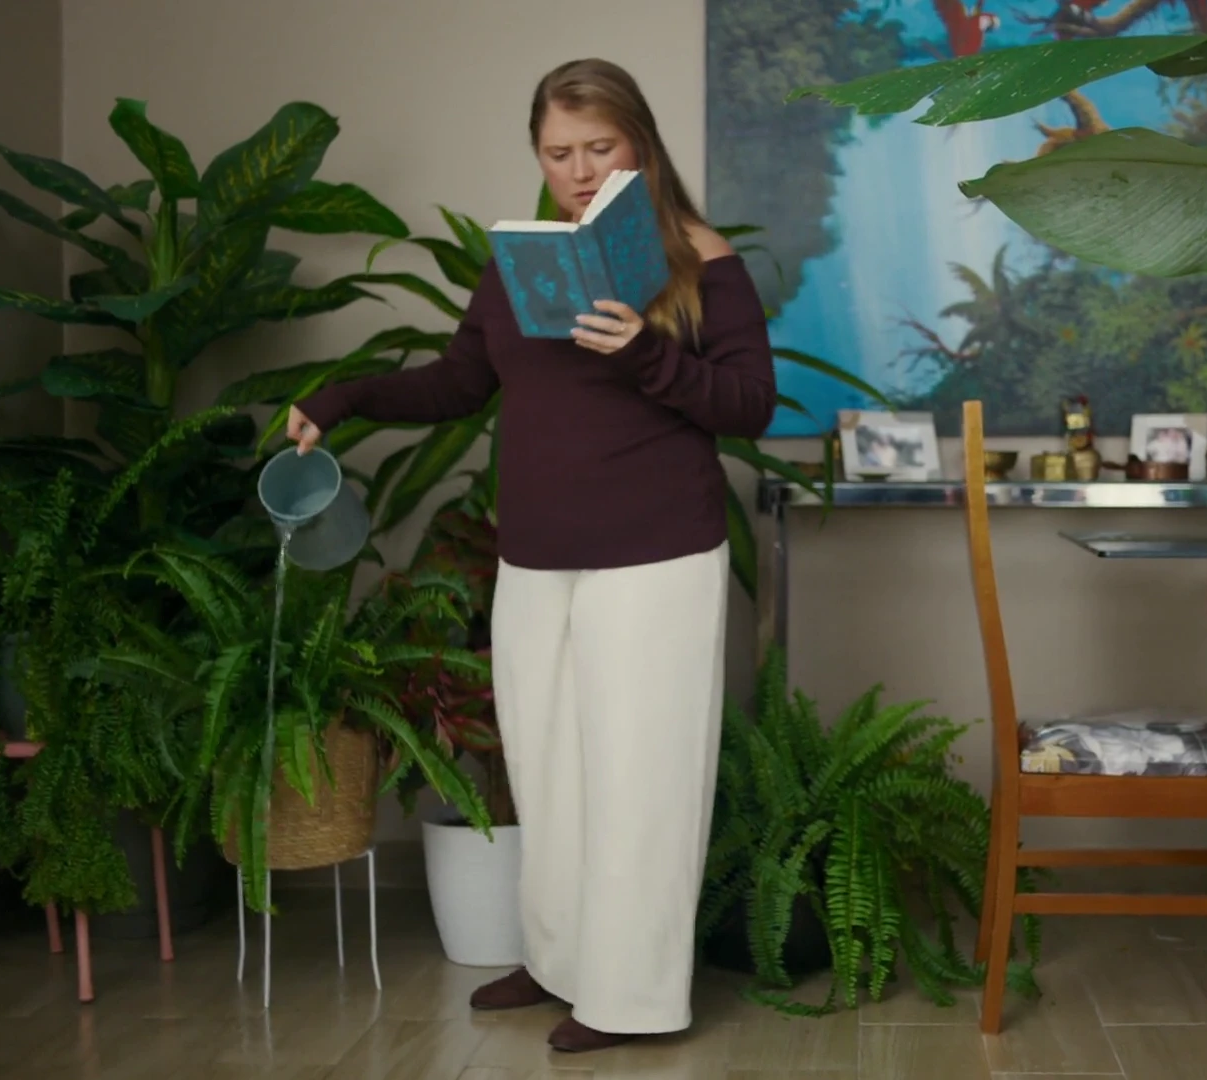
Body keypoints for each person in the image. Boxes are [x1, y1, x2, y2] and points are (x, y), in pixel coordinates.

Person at [286, 57, 776, 1053]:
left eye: (600, 147)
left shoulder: (701, 259)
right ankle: (559, 963)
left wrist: (642, 351)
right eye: (559, 153)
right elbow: (457, 384)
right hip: (538, 556)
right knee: (550, 774)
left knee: (640, 782)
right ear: (538, 157)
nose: (580, 171)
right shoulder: (522, 264)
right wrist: (343, 398)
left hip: (655, 554)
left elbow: (749, 405)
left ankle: (632, 999)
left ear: (640, 144)